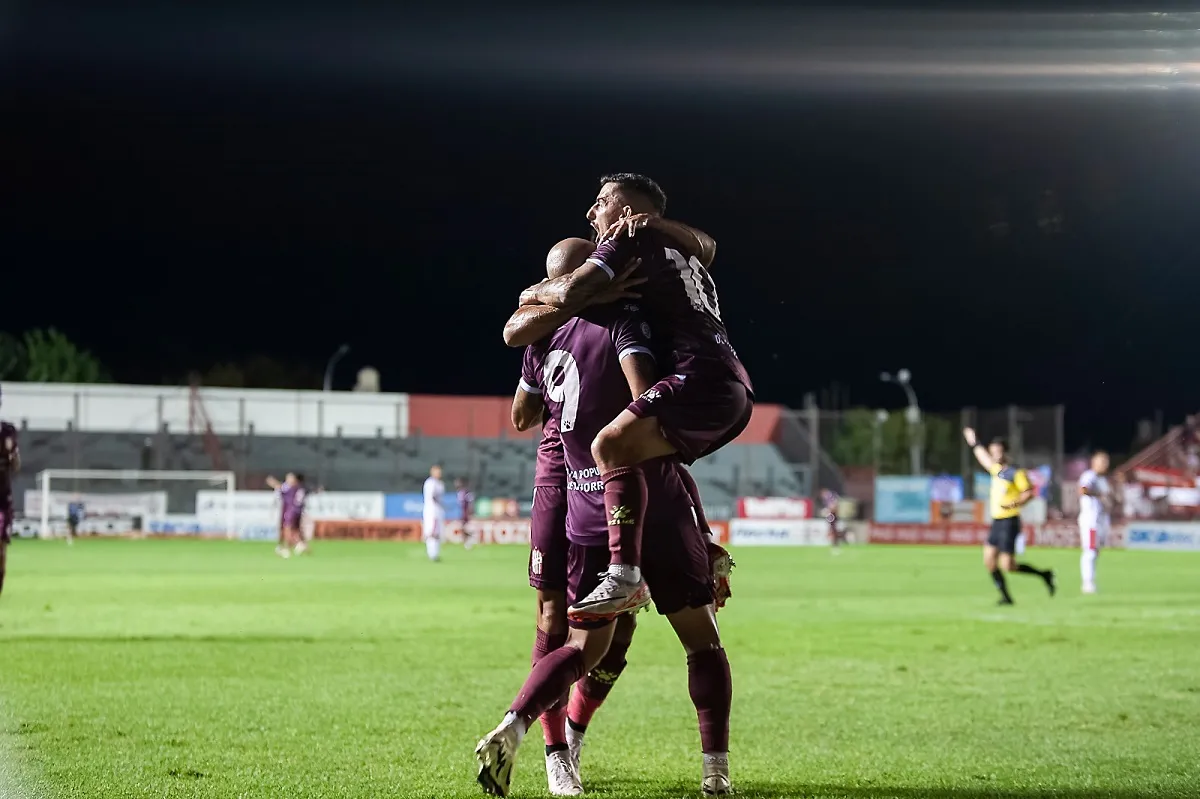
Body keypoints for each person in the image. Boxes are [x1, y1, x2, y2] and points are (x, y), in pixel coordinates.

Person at [477, 241, 734, 798]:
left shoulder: (539, 333)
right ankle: (710, 770)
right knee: (695, 639)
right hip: (641, 493)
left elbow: (521, 407)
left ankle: (533, 729)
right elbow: (648, 409)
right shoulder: (626, 320)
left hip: (582, 500)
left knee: (577, 635)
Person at [507, 173, 752, 623]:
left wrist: (544, 292)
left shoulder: (621, 280)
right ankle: (694, 542)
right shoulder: (673, 257)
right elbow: (514, 332)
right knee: (588, 614)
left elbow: (563, 301)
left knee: (614, 443)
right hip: (724, 382)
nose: (590, 212)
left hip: (592, 457)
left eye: (599, 202)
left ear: (623, 213)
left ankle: (630, 573)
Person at [964, 428, 1056, 605]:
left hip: (1009, 521)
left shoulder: (1016, 472)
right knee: (989, 561)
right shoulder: (997, 470)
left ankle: (1044, 574)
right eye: (993, 451)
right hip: (997, 521)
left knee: (1008, 565)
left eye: (998, 451)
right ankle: (1006, 597)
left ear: (1005, 452)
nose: (995, 454)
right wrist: (974, 442)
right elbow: (983, 458)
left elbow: (1029, 492)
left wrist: (1013, 504)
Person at [1078, 451, 1118, 594]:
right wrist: (1098, 494)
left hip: (1100, 520)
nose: (1105, 465)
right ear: (1094, 463)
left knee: (1095, 551)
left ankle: (1090, 581)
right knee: (1090, 550)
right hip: (1091, 520)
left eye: (1106, 462)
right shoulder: (1090, 476)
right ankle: (1087, 583)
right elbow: (1083, 490)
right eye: (1102, 462)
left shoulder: (1103, 479)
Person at [0, 392, 19, 598]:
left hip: (2, 500)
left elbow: (16, 467)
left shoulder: (8, 431)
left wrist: (12, 455)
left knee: (1, 557)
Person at [266, 473, 310, 557]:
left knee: (287, 528)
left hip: (290, 510)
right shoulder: (300, 488)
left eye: (289, 478)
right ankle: (302, 545)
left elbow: (279, 486)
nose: (288, 480)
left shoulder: (290, 488)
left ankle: (287, 548)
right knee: (296, 529)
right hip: (297, 511)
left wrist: (272, 482)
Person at [423, 465, 445, 562]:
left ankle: (435, 553)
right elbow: (432, 496)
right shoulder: (430, 483)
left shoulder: (440, 484)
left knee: (438, 532)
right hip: (431, 510)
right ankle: (431, 553)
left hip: (438, 510)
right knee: (431, 531)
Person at [457, 478, 477, 550]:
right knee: (464, 529)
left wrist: (470, 513)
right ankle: (467, 543)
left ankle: (469, 542)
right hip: (462, 514)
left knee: (467, 529)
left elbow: (471, 504)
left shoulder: (467, 493)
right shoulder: (460, 493)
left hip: (467, 515)